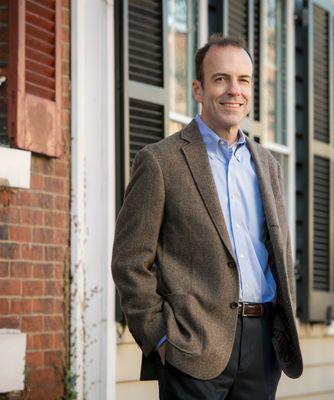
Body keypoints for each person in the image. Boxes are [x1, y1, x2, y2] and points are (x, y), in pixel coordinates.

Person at [111, 34, 302, 399]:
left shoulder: (268, 166)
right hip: (192, 349)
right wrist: (161, 338)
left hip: (262, 351)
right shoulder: (160, 161)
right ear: (198, 89)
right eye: (221, 79)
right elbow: (129, 261)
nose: (234, 90)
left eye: (243, 80)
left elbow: (277, 255)